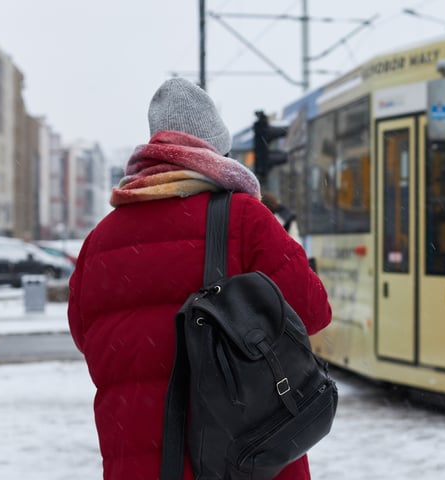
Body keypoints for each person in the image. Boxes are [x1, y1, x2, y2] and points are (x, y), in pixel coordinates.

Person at [67, 78, 332, 480]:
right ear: (216, 151)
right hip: (242, 455)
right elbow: (312, 311)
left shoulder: (99, 242)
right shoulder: (246, 219)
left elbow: (86, 338)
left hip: (137, 461)